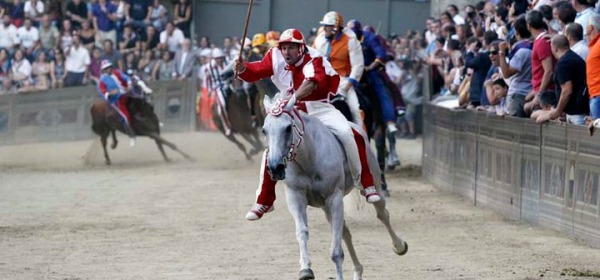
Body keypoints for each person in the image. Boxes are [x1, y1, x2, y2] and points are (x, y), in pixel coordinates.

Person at [233, 28, 381, 221]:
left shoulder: (314, 58)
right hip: (291, 106)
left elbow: (311, 83)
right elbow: (259, 69)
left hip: (318, 106)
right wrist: (243, 69)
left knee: (347, 132)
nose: (286, 52)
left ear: (301, 48)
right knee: (273, 145)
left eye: (291, 48)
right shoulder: (275, 55)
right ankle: (264, 200)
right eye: (284, 48)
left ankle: (366, 183)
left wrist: (292, 99)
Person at [347, 19, 398, 134]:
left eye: (354, 32)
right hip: (352, 72)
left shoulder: (370, 38)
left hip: (370, 72)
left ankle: (390, 121)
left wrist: (370, 67)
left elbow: (381, 54)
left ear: (359, 31)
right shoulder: (346, 39)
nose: (352, 35)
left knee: (382, 93)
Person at [313, 11, 364, 126]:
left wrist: (345, 88)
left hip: (343, 81)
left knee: (355, 110)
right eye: (324, 25)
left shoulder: (350, 40)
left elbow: (358, 66)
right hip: (323, 79)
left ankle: (361, 141)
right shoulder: (319, 39)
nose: (324, 28)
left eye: (327, 26)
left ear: (335, 28)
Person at [533, 35, 588, 124]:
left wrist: (557, 112)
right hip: (580, 111)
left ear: (554, 48)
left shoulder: (563, 63)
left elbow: (567, 90)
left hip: (575, 114)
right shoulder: (577, 58)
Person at [97, 59, 136, 146]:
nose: (109, 69)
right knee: (125, 116)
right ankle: (131, 135)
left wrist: (129, 84)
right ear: (103, 70)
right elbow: (103, 93)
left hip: (126, 93)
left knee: (141, 98)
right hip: (116, 100)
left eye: (109, 67)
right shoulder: (102, 81)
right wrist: (110, 93)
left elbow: (126, 78)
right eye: (106, 68)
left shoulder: (117, 72)